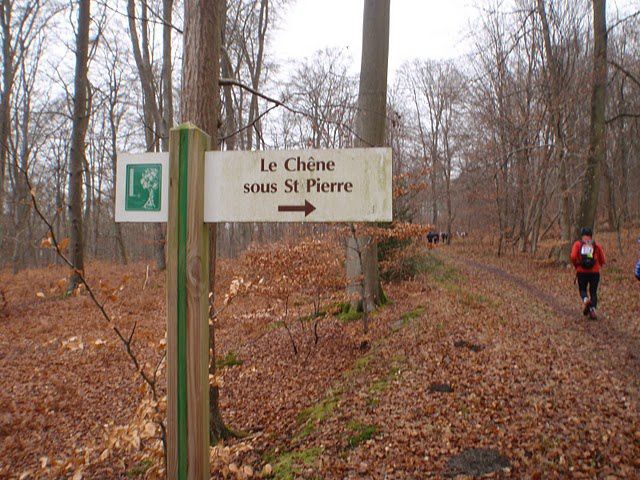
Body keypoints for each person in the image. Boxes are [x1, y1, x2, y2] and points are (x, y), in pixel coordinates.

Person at [570, 227, 605, 320]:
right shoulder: (596, 245)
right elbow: (603, 259)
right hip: (595, 273)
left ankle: (586, 300)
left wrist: (577, 265)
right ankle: (592, 310)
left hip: (582, 272)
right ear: (591, 235)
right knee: (593, 292)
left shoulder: (577, 244)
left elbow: (573, 256)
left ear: (582, 235)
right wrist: (599, 265)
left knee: (582, 290)